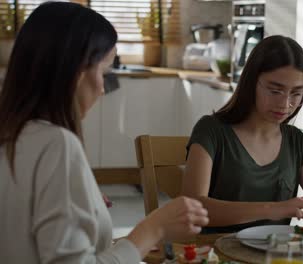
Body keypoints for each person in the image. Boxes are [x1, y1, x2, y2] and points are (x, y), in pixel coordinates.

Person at [0, 2, 208, 263]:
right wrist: (154, 227)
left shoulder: (12, 133)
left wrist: (80, 199)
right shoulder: (57, 144)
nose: (102, 89)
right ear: (77, 71)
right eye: (104, 72)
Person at [181, 35, 303, 234]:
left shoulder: (296, 142)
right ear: (251, 83)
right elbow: (193, 207)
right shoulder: (211, 131)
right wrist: (273, 209)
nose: (286, 105)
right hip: (214, 254)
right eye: (275, 91)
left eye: (296, 93)